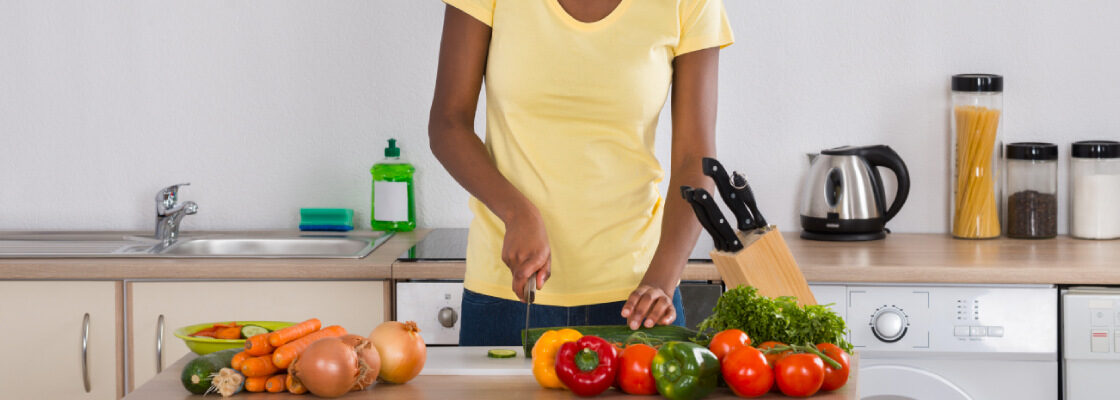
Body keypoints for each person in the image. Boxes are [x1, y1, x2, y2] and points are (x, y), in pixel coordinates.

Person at [428, 0, 733, 346]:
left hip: (636, 297)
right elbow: (448, 124)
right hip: (509, 294)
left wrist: (661, 281)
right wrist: (517, 212)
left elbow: (695, 158)